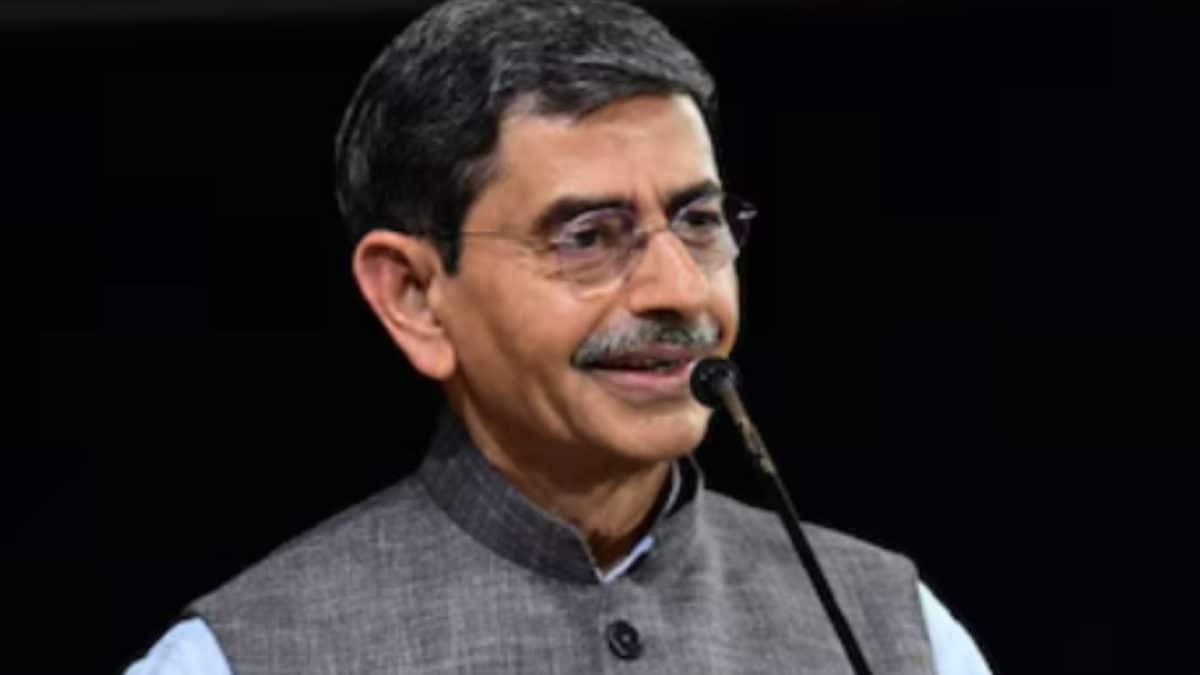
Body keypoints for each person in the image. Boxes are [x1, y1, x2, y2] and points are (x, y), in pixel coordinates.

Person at [126, 0, 991, 673]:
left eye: (698, 221)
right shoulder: (243, 656)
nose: (679, 289)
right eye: (588, 237)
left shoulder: (899, 632)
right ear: (416, 296)